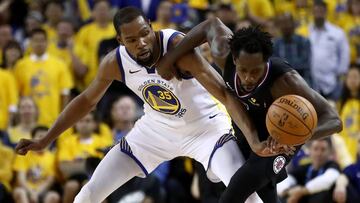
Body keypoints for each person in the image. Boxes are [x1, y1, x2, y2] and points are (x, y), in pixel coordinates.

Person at [14, 7, 282, 203]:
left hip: (207, 129)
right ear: (120, 41)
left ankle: (214, 167)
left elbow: (225, 94)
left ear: (151, 27)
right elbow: (86, 100)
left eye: (145, 34)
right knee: (88, 194)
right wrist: (46, 139)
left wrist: (254, 141)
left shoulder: (176, 46)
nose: (141, 42)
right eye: (131, 39)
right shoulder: (114, 62)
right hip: (155, 131)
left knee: (248, 198)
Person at [156, 17, 342, 203]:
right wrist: (170, 58)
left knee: (235, 191)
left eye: (256, 71)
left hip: (279, 135)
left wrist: (297, 138)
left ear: (266, 61)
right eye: (243, 70)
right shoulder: (223, 52)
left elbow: (334, 120)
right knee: (262, 193)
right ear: (234, 59)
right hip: (245, 125)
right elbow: (210, 25)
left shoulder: (286, 81)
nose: (248, 78)